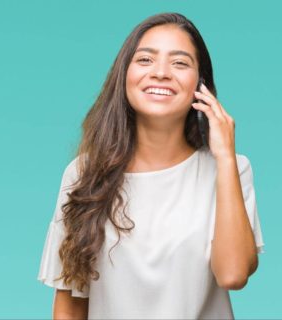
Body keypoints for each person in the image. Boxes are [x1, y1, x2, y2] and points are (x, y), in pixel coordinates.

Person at [37, 12, 265, 320]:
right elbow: (70, 303)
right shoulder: (83, 175)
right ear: (124, 75)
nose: (160, 72)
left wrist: (224, 155)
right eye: (145, 60)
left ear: (201, 86)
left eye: (180, 63)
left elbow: (233, 275)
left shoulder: (233, 170)